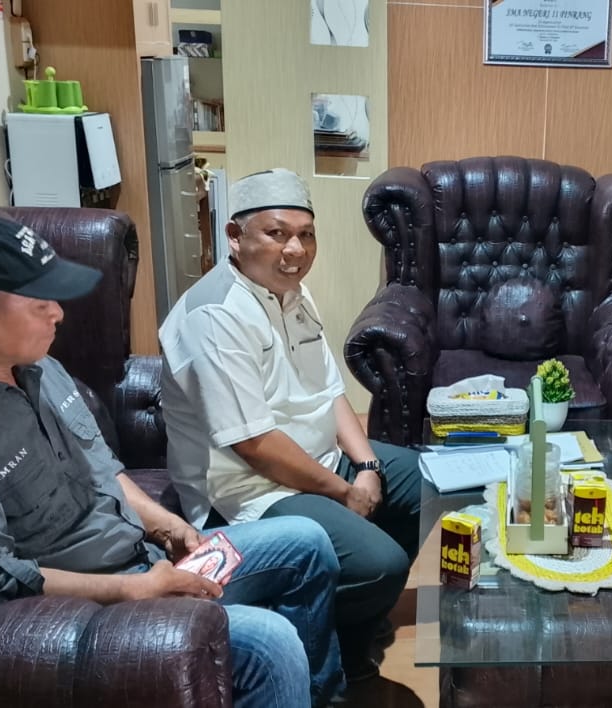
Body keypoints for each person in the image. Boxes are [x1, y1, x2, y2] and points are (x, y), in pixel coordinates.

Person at [0, 215, 345, 707]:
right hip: (91, 604)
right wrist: (133, 590)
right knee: (270, 644)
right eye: (39, 303)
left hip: (143, 559)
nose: (58, 314)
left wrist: (167, 527)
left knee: (307, 542)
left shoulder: (41, 368)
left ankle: (317, 696)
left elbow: (102, 467)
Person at [159, 168, 422, 681]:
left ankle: (353, 618)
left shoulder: (295, 294)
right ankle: (331, 647)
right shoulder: (214, 315)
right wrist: (344, 491)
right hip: (250, 491)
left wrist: (368, 466)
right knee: (381, 564)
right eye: (276, 234)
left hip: (318, 461)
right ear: (235, 237)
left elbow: (329, 393)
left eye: (305, 235)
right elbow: (255, 445)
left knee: (422, 483)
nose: (295, 250)